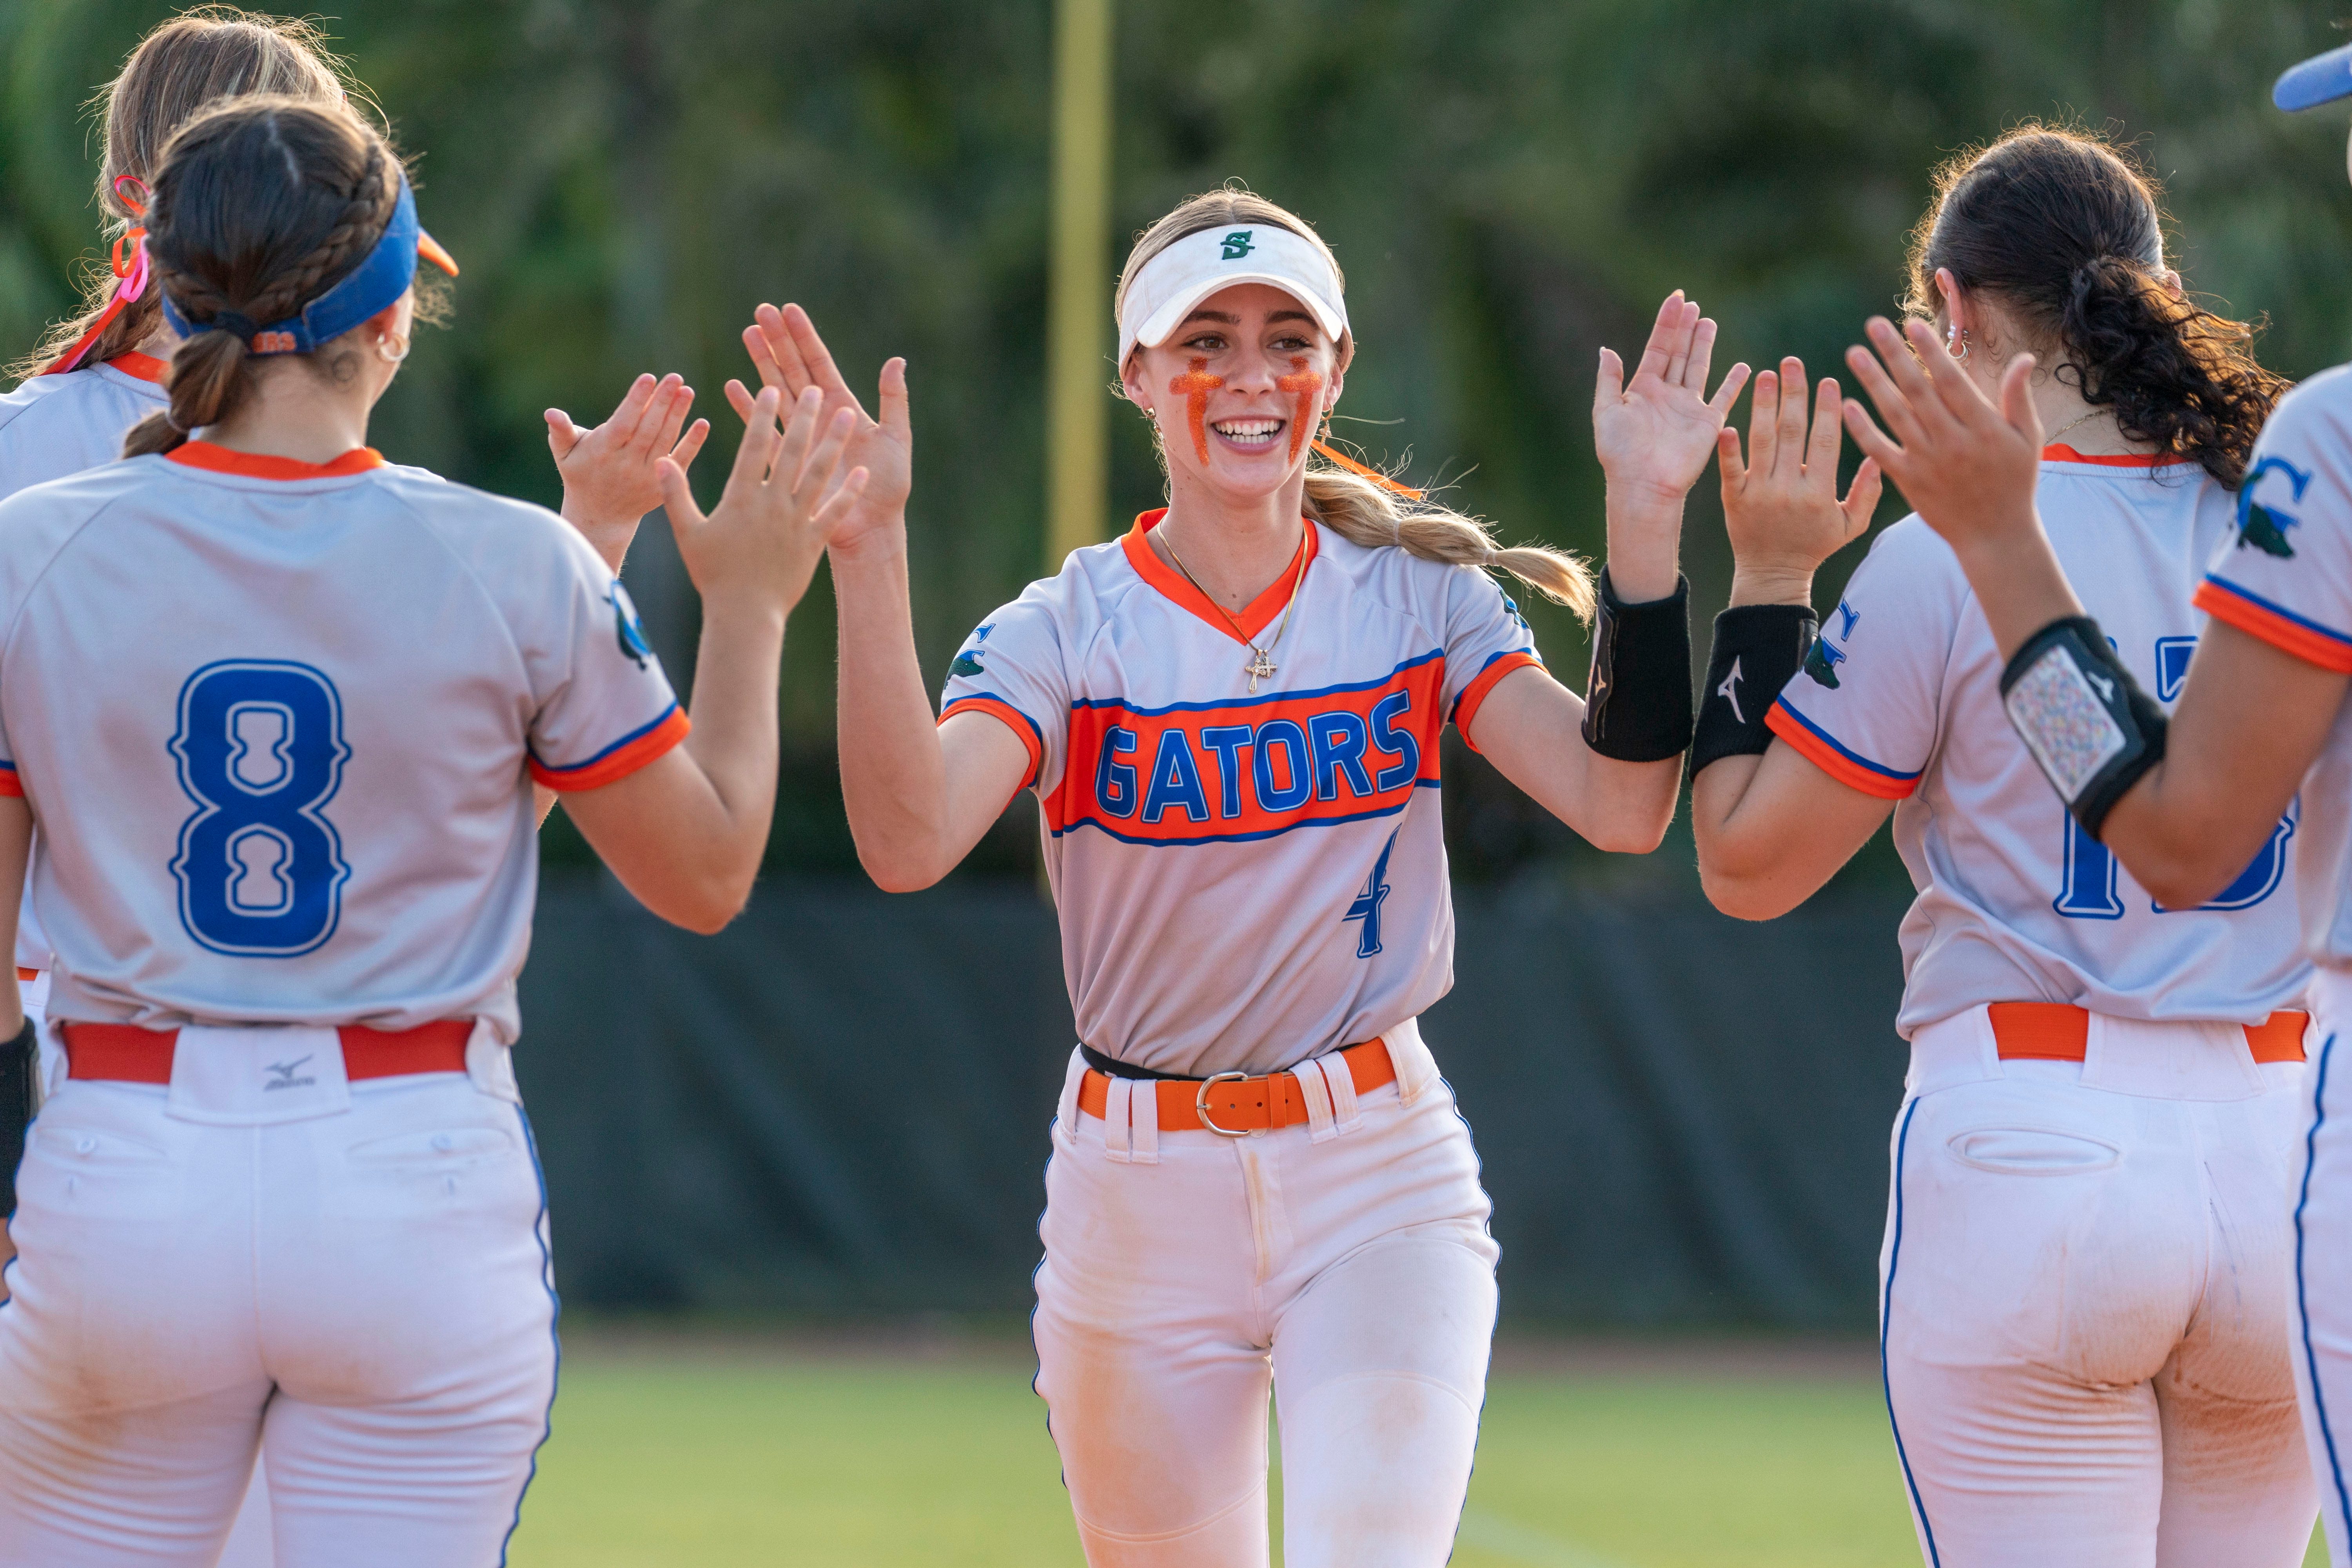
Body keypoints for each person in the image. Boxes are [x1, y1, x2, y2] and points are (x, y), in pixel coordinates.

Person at [746, 187, 1744, 1564]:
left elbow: (1625, 807)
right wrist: (867, 555)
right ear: (1139, 377)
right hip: (1136, 1191)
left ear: (1334, 372)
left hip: (1377, 1169)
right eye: (1203, 339)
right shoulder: (1070, 629)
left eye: (1288, 337)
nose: (1249, 374)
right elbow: (909, 841)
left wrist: (1644, 523)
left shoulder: (1416, 599)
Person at [0, 94, 864, 1564]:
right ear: (393, 317)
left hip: (126, 1163)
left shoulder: (29, 548)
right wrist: (754, 604)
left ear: (168, 292)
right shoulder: (514, 561)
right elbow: (710, 874)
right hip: (410, 1173)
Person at [1689, 127, 2317, 1566]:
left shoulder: (1951, 555)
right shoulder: (2293, 530)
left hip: (2041, 1136)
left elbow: (1747, 863)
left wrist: (1776, 576)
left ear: (1956, 314)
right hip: (2281, 1147)